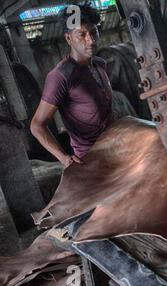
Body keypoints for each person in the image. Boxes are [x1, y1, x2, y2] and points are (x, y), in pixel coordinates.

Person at [31, 4, 113, 168]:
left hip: (115, 146)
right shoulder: (60, 76)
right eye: (82, 35)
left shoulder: (99, 64)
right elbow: (36, 125)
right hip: (91, 158)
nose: (90, 40)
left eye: (94, 32)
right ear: (68, 38)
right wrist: (64, 158)